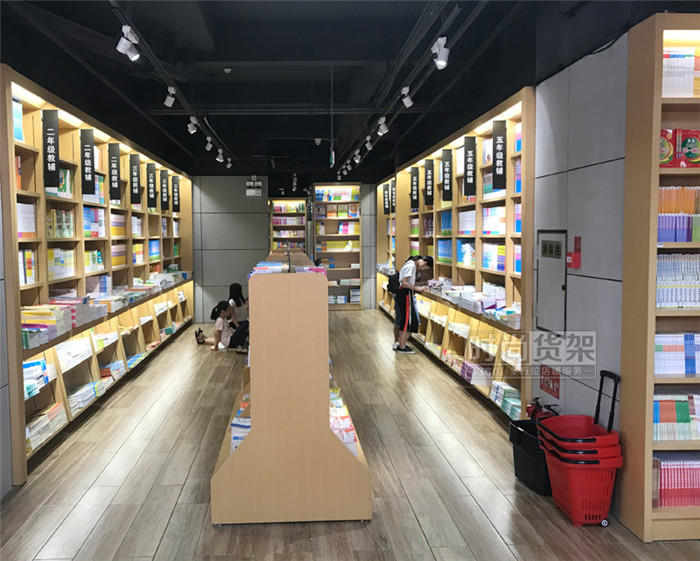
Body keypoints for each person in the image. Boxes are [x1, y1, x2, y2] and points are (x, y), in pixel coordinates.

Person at [392, 255, 433, 354]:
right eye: (424, 268)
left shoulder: (411, 264)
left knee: (408, 320)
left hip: (405, 294)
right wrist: (417, 288)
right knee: (406, 321)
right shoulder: (411, 266)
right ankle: (402, 346)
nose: (422, 270)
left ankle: (402, 344)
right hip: (404, 294)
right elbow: (404, 283)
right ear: (424, 263)